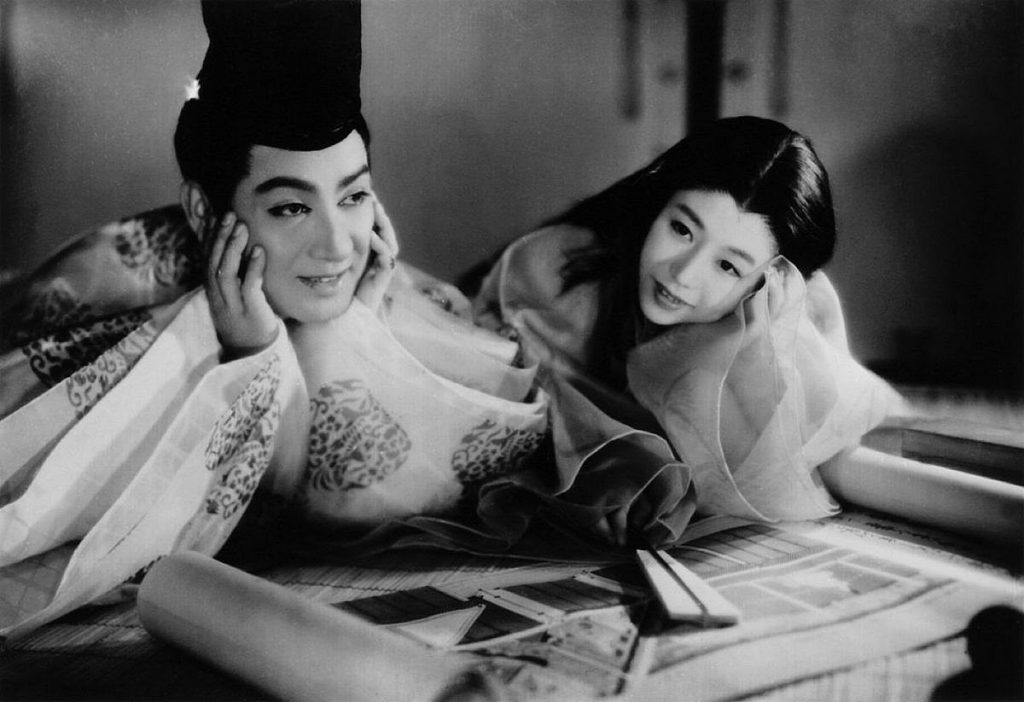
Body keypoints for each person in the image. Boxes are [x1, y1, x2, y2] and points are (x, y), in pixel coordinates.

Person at [0, 0, 545, 639]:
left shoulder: (382, 281)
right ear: (203, 212)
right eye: (291, 208)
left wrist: (355, 334)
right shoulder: (118, 282)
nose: (338, 246)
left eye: (353, 195)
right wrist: (250, 354)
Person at [467, 116, 904, 548]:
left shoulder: (777, 328)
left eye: (727, 266)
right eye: (681, 229)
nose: (683, 274)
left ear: (766, 284)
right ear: (659, 203)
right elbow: (507, 400)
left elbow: (767, 472)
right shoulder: (560, 273)